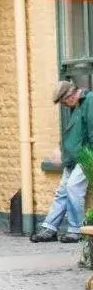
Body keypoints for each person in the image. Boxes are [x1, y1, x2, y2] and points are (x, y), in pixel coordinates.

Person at [31, 80, 93, 243]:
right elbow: (73, 134)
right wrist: (61, 149)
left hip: (86, 156)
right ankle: (49, 228)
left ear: (70, 95)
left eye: (63, 101)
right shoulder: (75, 107)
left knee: (73, 188)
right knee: (62, 192)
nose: (64, 105)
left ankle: (76, 230)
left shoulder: (90, 101)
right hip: (72, 159)